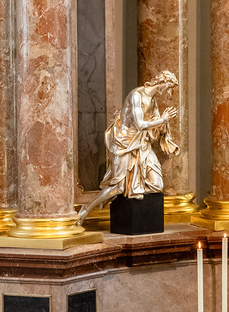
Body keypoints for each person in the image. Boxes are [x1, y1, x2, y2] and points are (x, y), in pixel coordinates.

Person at [76, 71, 180, 221]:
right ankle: (86, 210)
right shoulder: (136, 95)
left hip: (142, 143)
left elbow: (155, 126)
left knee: (157, 185)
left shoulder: (153, 101)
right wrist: (163, 120)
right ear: (162, 82)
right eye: (169, 87)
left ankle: (134, 188)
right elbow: (140, 125)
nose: (168, 92)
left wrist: (165, 127)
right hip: (124, 143)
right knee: (117, 187)